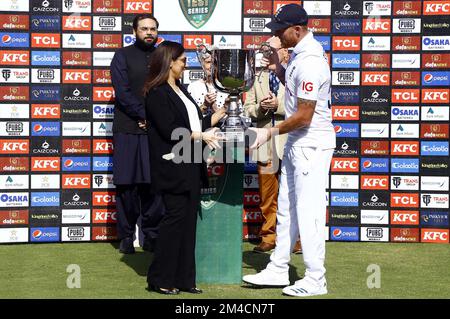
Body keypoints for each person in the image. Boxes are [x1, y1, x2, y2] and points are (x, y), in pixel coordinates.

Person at [242, 4, 335, 297]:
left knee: (308, 213)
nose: (275, 35)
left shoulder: (310, 61)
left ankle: (315, 278)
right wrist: (277, 67)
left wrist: (268, 131)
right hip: (298, 141)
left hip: (310, 142)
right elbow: (293, 90)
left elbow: (305, 114)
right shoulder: (299, 56)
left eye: (279, 30)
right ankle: (279, 267)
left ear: (298, 29)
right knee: (286, 209)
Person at [143, 41, 226, 295]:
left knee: (188, 224)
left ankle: (184, 280)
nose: (185, 64)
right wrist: (201, 137)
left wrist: (222, 112)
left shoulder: (181, 90)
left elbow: (196, 122)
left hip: (190, 163)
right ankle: (159, 278)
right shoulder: (156, 93)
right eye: (182, 60)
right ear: (169, 62)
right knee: (174, 221)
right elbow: (170, 129)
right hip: (172, 165)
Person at [110, 14, 165, 254]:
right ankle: (126, 235)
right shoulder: (122, 56)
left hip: (157, 131)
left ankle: (152, 235)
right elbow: (122, 92)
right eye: (144, 29)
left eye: (152, 29)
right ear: (134, 31)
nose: (149, 32)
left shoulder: (164, 57)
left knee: (154, 185)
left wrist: (154, 118)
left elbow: (169, 90)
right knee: (127, 185)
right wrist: (144, 115)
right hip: (128, 129)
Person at [244, 36, 288, 254]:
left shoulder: (293, 74)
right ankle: (269, 236)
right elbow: (247, 109)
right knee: (267, 194)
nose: (267, 52)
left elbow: (304, 108)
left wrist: (278, 105)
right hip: (265, 143)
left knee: (293, 193)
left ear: (284, 51)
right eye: (265, 49)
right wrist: (261, 108)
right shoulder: (256, 76)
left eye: (271, 48)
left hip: (289, 141)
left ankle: (295, 239)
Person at [188, 45, 228, 115]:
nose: (212, 67)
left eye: (215, 63)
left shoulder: (228, 87)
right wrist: (205, 105)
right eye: (208, 62)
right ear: (202, 64)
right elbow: (190, 117)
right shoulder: (193, 87)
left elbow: (237, 117)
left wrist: (215, 109)